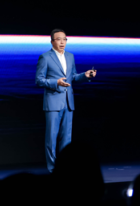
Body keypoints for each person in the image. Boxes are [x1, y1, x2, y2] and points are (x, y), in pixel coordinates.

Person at [35, 29, 96, 172]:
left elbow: (73, 77)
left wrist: (85, 75)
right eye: (58, 39)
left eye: (64, 39)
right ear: (52, 42)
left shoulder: (70, 56)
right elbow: (39, 80)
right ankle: (52, 169)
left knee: (67, 139)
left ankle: (65, 168)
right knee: (51, 138)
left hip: (68, 102)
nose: (62, 42)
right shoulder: (45, 57)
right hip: (53, 103)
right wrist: (56, 82)